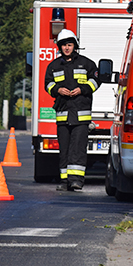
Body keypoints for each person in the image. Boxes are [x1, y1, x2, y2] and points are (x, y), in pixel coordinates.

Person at [44, 29, 99, 191]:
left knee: (78, 149)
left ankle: (76, 180)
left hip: (81, 116)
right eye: (64, 45)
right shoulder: (53, 66)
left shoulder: (87, 64)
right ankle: (64, 181)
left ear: (75, 46)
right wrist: (57, 90)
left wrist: (83, 89)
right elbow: (48, 84)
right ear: (60, 47)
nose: (67, 48)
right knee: (64, 150)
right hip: (63, 115)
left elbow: (96, 80)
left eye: (69, 45)